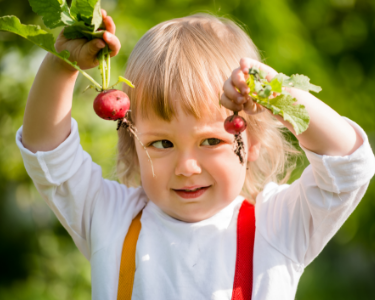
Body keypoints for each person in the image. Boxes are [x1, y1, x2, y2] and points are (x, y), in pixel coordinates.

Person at [16, 10, 375, 300]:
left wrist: (274, 92)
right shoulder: (111, 219)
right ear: (132, 144)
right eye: (162, 144)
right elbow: (47, 152)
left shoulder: (276, 227)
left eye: (210, 142)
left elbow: (348, 164)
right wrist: (62, 64)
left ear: (252, 142)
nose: (187, 167)